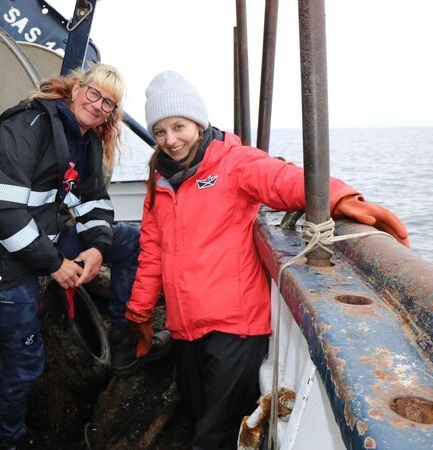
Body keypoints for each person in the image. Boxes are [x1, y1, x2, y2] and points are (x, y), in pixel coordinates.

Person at [124, 71, 410, 450]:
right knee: (197, 416)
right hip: (185, 328)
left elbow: (282, 180)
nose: (170, 140)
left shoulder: (233, 161)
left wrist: (340, 198)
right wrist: (140, 314)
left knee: (215, 436)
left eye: (178, 126)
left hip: (235, 328)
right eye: (160, 132)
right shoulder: (159, 181)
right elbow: (151, 251)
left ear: (198, 121)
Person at [0, 63, 167, 450]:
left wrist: (96, 247)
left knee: (130, 242)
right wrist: (54, 265)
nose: (98, 105)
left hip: (39, 242)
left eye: (109, 102)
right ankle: (7, 440)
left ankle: (122, 338)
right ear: (76, 89)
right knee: (26, 364)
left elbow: (92, 202)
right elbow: (5, 212)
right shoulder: (28, 126)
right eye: (94, 93)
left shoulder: (85, 141)